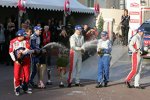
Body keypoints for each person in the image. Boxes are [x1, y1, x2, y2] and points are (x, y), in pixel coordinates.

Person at [9, 29, 32, 96]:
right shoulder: (12, 41)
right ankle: (17, 89)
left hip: (26, 59)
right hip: (17, 61)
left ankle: (25, 88)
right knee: (16, 75)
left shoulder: (26, 40)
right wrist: (15, 60)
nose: (25, 36)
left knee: (27, 75)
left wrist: (22, 53)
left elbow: (28, 49)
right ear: (19, 36)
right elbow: (10, 52)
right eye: (23, 35)